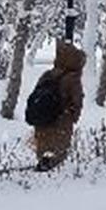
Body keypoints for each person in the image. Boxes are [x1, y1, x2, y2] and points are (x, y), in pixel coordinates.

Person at [29, 41, 88, 170]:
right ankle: (53, 164)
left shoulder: (48, 74)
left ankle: (43, 160)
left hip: (43, 115)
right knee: (59, 142)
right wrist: (74, 115)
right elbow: (77, 100)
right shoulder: (73, 78)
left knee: (44, 138)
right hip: (61, 117)